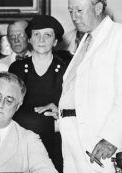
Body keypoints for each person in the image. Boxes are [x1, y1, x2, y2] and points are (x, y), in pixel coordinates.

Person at [59, 0, 122, 172]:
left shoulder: (118, 35)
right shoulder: (86, 39)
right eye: (70, 11)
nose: (74, 17)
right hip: (73, 136)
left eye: (79, 10)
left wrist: (111, 138)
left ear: (98, 8)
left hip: (100, 141)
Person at [9, 15, 67, 172]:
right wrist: (48, 123)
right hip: (22, 142)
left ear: (55, 41)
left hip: (56, 144)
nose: (41, 40)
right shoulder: (17, 69)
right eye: (36, 34)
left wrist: (59, 112)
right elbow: (11, 108)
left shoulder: (66, 70)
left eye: (47, 35)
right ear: (29, 39)